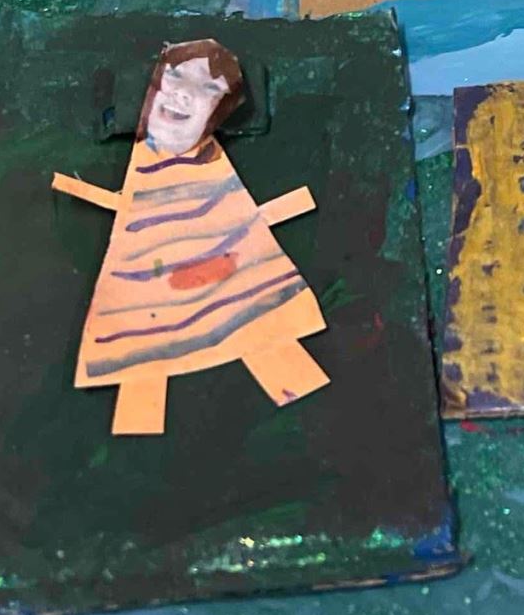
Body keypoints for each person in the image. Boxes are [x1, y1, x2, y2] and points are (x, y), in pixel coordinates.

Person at [52, 39, 329, 436]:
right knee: (141, 346)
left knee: (260, 325)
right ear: (156, 84)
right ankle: (137, 431)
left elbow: (230, 216)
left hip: (230, 265)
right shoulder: (145, 160)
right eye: (176, 76)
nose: (184, 93)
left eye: (209, 88)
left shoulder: (211, 166)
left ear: (221, 110)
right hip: (147, 274)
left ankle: (304, 399)